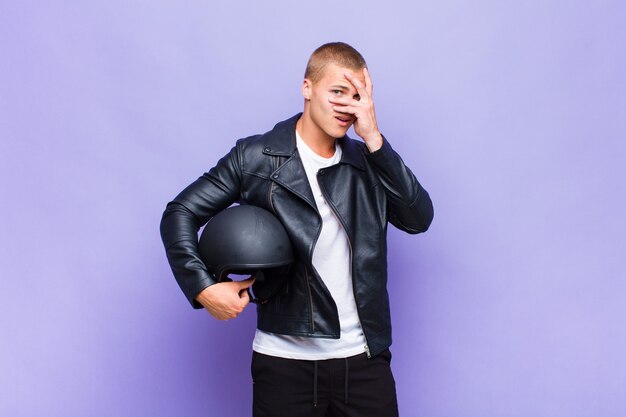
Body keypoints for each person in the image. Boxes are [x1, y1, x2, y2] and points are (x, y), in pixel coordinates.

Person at [160, 42, 434, 417]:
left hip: (363, 360)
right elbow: (180, 212)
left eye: (356, 96)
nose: (346, 105)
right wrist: (202, 287)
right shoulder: (255, 157)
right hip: (284, 364)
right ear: (307, 87)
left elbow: (418, 218)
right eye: (336, 91)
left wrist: (373, 139)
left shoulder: (369, 162)